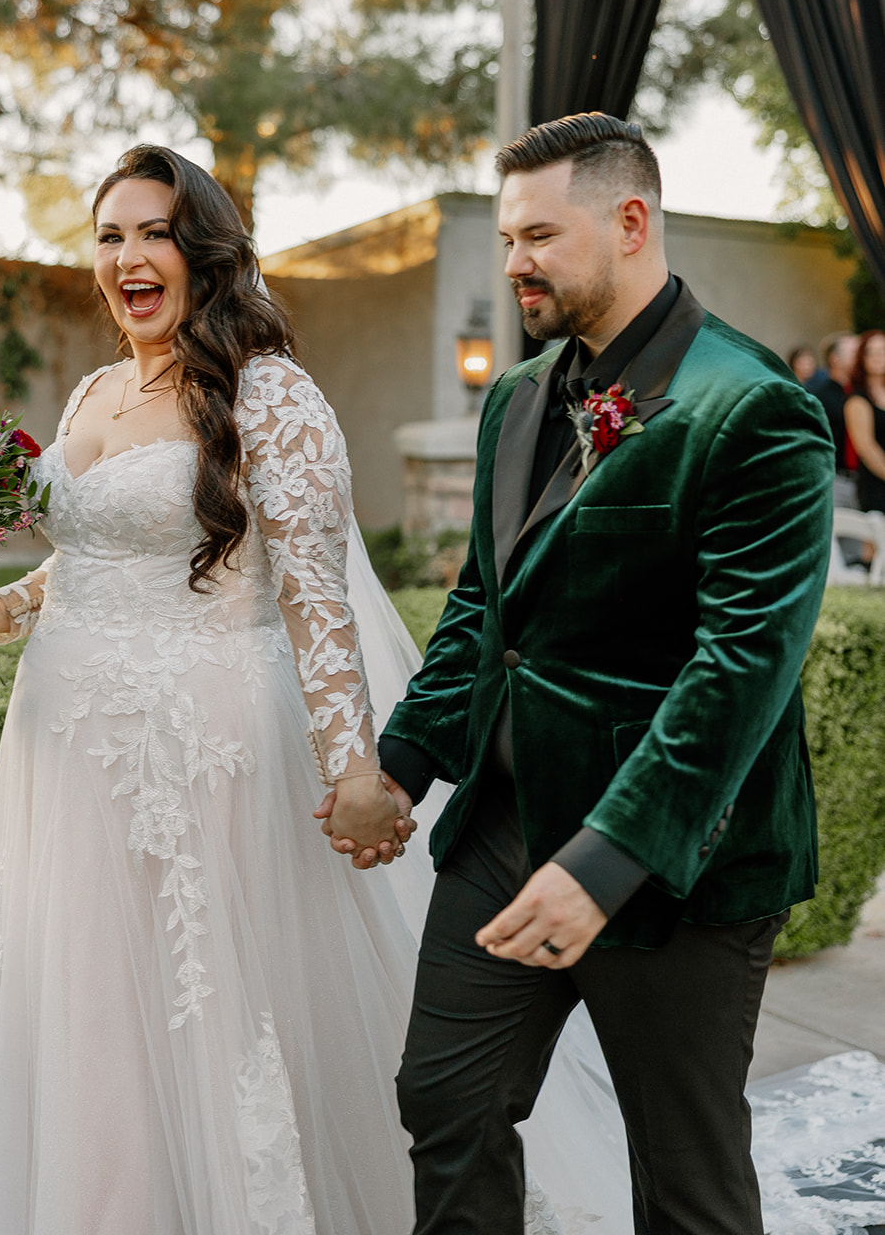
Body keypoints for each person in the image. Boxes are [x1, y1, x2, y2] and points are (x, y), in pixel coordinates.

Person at [0, 144, 429, 1235]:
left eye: (154, 231)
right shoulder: (95, 387)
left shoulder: (271, 395)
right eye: (109, 234)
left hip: (202, 745)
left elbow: (316, 598)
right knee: (87, 1013)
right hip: (62, 758)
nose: (128, 255)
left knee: (199, 1003)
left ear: (203, 250)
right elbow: (87, 558)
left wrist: (355, 768)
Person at [341, 113, 835, 1235]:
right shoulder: (516, 399)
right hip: (505, 828)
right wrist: (404, 763)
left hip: (676, 857)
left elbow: (740, 667)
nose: (512, 260)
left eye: (537, 235)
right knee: (445, 1099)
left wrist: (606, 861)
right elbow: (484, 603)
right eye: (506, 236)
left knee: (685, 1176)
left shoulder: (753, 407)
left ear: (628, 220)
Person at [808, 330, 858, 503]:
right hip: (836, 480)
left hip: (866, 480)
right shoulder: (818, 397)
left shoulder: (863, 394)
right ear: (834, 359)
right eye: (854, 353)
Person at [843, 329, 885, 514]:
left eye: (883, 350)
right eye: (871, 351)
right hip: (877, 486)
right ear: (862, 357)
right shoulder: (857, 400)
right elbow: (867, 449)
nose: (878, 356)